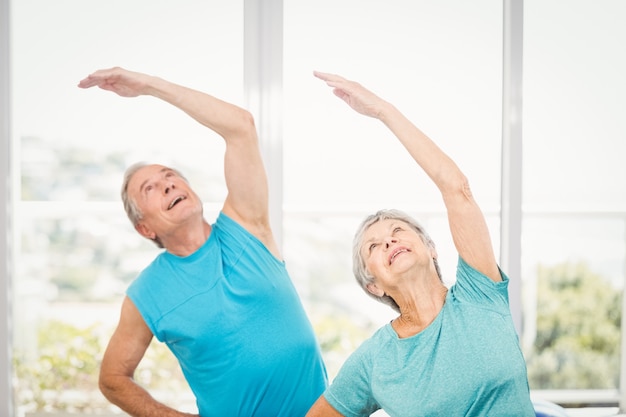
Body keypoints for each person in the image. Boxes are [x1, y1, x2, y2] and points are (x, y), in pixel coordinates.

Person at [77, 67, 328, 417]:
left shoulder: (247, 225)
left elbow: (240, 126)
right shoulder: (146, 293)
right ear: (144, 228)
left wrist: (150, 85)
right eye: (150, 188)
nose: (168, 184)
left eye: (171, 176)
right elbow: (112, 379)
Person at [307, 71, 535, 417]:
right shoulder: (374, 361)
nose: (389, 240)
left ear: (431, 247)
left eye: (398, 230)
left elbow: (456, 188)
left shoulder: (480, 294)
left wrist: (383, 111)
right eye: (374, 246)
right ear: (373, 284)